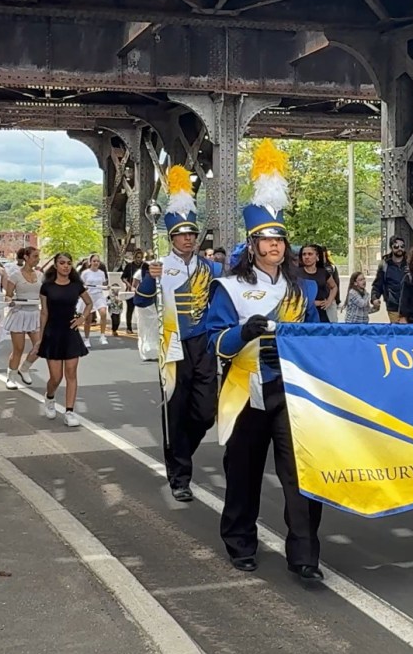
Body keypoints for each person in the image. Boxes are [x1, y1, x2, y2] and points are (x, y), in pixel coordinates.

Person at [205, 139, 323, 581]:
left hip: (292, 391)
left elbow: (315, 336)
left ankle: (305, 555)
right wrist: (244, 332)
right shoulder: (230, 287)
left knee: (302, 473)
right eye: (267, 239)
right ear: (253, 244)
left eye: (279, 239)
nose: (275, 245)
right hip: (245, 389)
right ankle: (240, 543)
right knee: (244, 472)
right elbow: (215, 342)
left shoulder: (301, 290)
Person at [136, 166, 221, 503]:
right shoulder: (159, 266)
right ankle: (179, 476)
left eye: (192, 234)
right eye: (182, 235)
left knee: (205, 412)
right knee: (175, 412)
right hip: (172, 346)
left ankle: (182, 450)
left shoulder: (211, 268)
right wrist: (149, 277)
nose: (188, 239)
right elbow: (141, 301)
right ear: (171, 238)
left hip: (204, 345)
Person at [38, 253, 92, 426]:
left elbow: (89, 303)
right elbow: (44, 312)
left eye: (69, 263)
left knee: (71, 373)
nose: (66, 266)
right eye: (62, 263)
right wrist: (40, 337)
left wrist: (82, 318)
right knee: (56, 377)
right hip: (52, 333)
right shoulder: (46, 287)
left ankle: (69, 412)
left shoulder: (76, 286)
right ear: (55, 265)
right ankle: (49, 397)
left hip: (70, 332)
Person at [2, 245, 42, 388]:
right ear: (26, 257)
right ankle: (11, 377)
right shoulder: (15, 276)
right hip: (19, 314)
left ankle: (24, 368)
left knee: (41, 346)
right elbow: (8, 295)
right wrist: (10, 301)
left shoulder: (40, 275)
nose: (38, 259)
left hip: (35, 314)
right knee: (18, 348)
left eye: (38, 257)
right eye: (35, 256)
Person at [370, 235, 406, 322]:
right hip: (393, 306)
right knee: (397, 329)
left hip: (411, 306)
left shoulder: (411, 263)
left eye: (402, 246)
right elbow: (378, 284)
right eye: (396, 246)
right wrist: (374, 298)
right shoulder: (385, 265)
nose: (399, 249)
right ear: (391, 247)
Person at [299, 244, 337, 322]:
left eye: (310, 254)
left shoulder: (323, 273)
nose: (306, 257)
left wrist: (329, 301)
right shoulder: (296, 273)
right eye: (304, 254)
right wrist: (309, 303)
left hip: (321, 314)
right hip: (302, 314)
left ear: (317, 256)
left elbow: (334, 287)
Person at [81, 253, 110, 347]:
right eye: (94, 261)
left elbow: (104, 284)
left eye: (98, 261)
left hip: (99, 295)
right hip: (89, 297)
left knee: (103, 313)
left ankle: (102, 336)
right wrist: (84, 287)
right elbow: (81, 284)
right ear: (90, 262)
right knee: (88, 319)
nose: (96, 263)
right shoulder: (85, 273)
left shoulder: (101, 273)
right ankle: (86, 339)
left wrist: (107, 287)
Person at [120, 250, 145, 334]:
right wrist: (128, 284)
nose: (139, 259)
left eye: (141, 258)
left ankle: (142, 327)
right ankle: (129, 327)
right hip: (130, 290)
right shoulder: (129, 266)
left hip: (142, 290)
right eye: (138, 257)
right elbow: (123, 277)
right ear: (134, 257)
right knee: (130, 309)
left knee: (143, 310)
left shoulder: (144, 266)